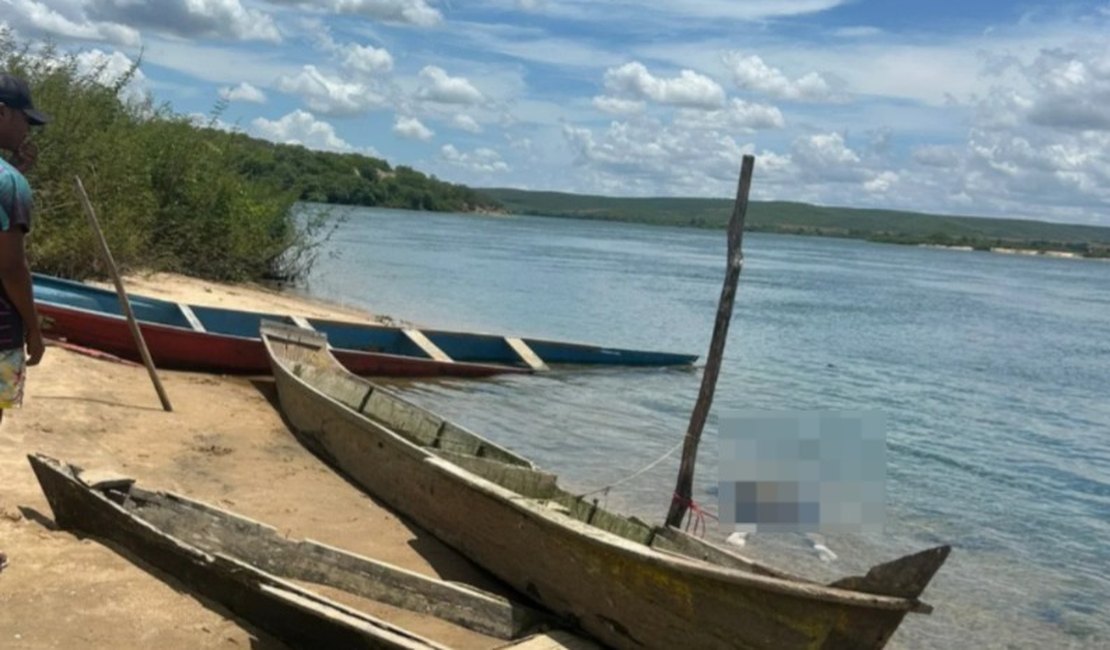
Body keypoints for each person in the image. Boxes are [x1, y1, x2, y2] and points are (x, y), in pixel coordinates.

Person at [0, 73, 49, 426]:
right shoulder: (10, 184)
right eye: (25, 118)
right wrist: (33, 328)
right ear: (2, 113)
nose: (29, 129)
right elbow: (11, 268)